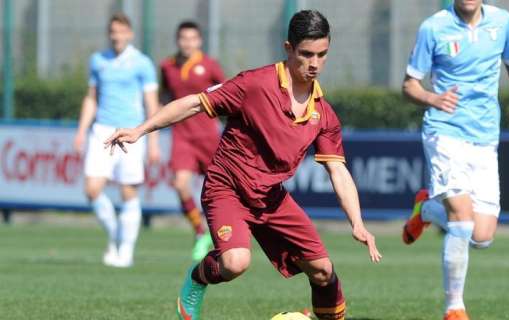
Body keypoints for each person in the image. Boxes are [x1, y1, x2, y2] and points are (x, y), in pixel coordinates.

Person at [105, 10, 381, 320]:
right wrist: (141, 130)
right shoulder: (254, 84)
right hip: (227, 189)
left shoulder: (324, 114)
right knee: (235, 263)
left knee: (322, 271)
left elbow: (338, 171)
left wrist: (357, 223)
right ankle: (198, 277)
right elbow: (195, 103)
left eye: (322, 54)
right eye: (306, 54)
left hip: (270, 197)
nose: (314, 63)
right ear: (288, 49)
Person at [401, 1, 509, 319]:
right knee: (461, 219)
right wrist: (433, 98)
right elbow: (409, 85)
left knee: (482, 236)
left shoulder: (503, 22)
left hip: (485, 137)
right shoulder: (433, 27)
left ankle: (427, 209)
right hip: (444, 133)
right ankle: (454, 308)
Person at [73, 13, 160, 268]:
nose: (116, 36)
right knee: (91, 190)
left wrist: (153, 141)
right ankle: (115, 235)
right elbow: (91, 97)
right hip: (101, 131)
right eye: (113, 31)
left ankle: (126, 251)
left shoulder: (142, 63)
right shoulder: (98, 60)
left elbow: (151, 103)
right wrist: (81, 130)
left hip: (130, 132)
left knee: (128, 191)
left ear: (129, 34)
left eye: (121, 31)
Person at [159, 21, 225, 261]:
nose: (187, 43)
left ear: (199, 41)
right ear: (178, 40)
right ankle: (200, 232)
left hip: (209, 137)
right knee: (180, 184)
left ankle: (226, 234)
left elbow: (227, 93)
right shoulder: (167, 66)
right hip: (182, 136)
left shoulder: (209, 66)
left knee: (221, 190)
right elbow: (163, 99)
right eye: (183, 38)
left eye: (192, 39)